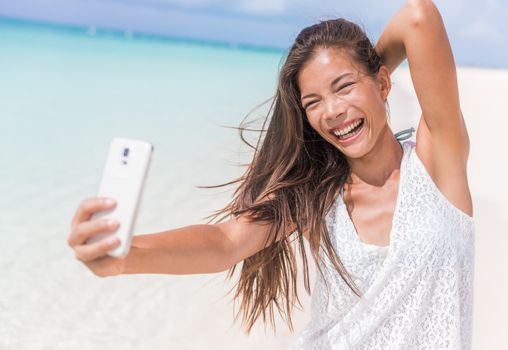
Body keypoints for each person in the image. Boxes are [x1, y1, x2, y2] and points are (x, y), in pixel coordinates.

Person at [67, 0, 475, 348]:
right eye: (313, 101)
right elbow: (226, 242)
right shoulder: (318, 194)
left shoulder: (437, 163)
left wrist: (366, 70)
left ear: (385, 83)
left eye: (343, 86)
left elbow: (419, 17)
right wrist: (123, 257)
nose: (331, 111)